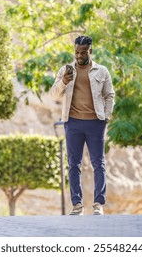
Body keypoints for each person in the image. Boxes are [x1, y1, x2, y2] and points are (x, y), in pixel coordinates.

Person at [50, 35, 115, 215]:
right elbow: (54, 94)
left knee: (98, 163)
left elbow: (110, 95)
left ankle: (98, 204)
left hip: (96, 122)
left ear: (90, 51)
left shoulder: (102, 71)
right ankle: (77, 205)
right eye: (77, 52)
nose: (79, 55)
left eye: (83, 52)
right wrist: (64, 81)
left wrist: (106, 116)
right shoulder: (66, 70)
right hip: (73, 123)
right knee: (74, 164)